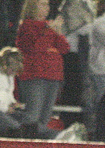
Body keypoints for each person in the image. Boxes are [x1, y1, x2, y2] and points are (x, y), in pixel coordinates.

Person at [15, 0, 70, 139]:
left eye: (47, 4)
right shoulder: (27, 25)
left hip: (53, 76)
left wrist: (57, 32)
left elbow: (64, 48)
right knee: (33, 115)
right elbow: (36, 47)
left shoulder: (48, 26)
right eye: (43, 4)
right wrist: (49, 30)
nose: (47, 7)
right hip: (35, 76)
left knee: (45, 118)